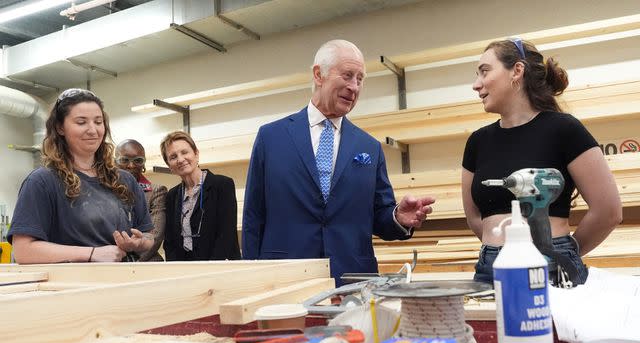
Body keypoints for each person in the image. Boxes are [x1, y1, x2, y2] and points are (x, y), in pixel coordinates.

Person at [242, 39, 435, 286]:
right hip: (285, 278)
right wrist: (250, 276)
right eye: (347, 75)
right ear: (318, 74)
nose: (354, 87)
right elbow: (253, 216)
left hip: (352, 280)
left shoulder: (369, 147)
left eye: (360, 79)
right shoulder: (271, 138)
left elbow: (379, 214)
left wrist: (398, 217)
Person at [461, 38, 622, 285]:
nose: (476, 85)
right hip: (491, 266)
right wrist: (502, 248)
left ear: (517, 70)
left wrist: (561, 251)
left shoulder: (564, 130)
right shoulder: (477, 142)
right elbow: (475, 218)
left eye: (485, 72)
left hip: (551, 262)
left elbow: (608, 211)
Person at [8, 88, 154, 263]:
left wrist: (140, 243)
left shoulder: (125, 180)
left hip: (124, 282)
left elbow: (148, 236)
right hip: (73, 286)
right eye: (81, 122)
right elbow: (24, 251)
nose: (93, 130)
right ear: (60, 127)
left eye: (98, 122)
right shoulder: (42, 182)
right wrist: (91, 253)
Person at [160, 131, 241, 261]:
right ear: (169, 165)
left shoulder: (222, 185)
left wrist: (209, 270)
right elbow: (170, 242)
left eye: (184, 152)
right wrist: (175, 269)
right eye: (173, 157)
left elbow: (226, 235)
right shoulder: (172, 195)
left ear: (196, 154)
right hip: (184, 271)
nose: (180, 159)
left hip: (218, 268)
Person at [116, 139, 167, 261]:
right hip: (109, 260)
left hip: (144, 261)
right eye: (124, 160)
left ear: (143, 164)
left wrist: (129, 263)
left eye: (138, 160)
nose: (131, 165)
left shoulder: (156, 191)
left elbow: (155, 236)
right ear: (114, 162)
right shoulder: (103, 191)